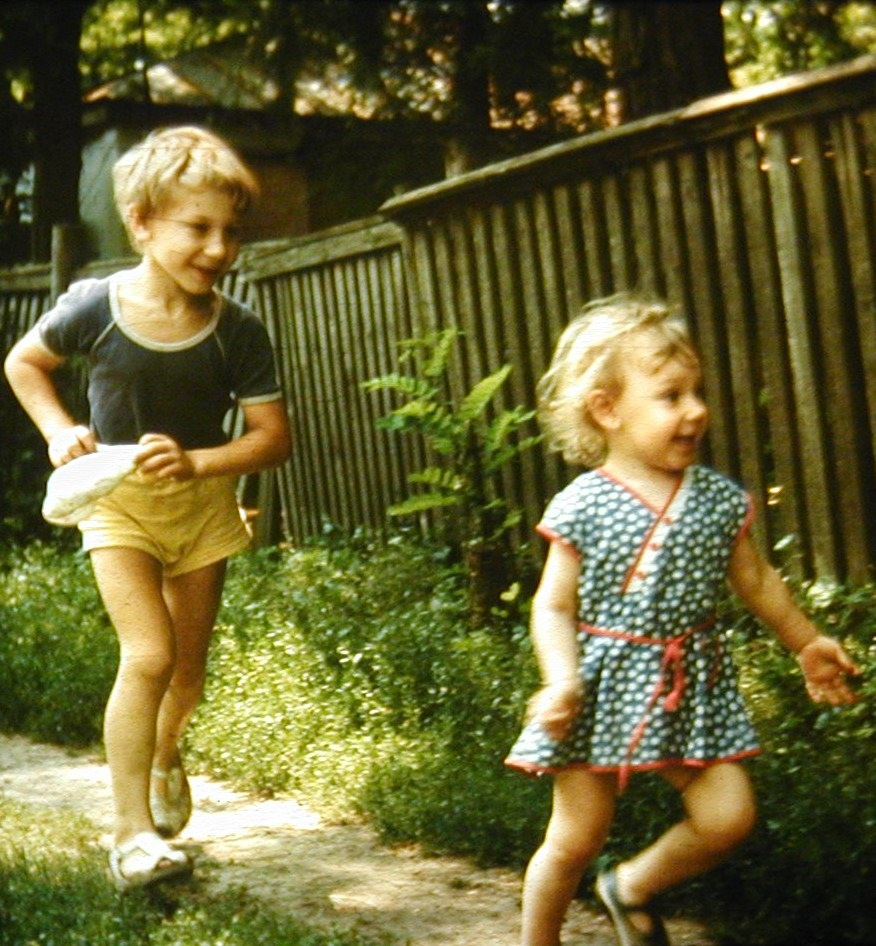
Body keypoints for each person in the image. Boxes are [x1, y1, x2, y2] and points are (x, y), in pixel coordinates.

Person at [503, 293, 859, 946]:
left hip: (687, 687)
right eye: (671, 396)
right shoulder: (583, 504)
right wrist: (561, 679)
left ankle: (631, 886)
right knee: (575, 840)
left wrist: (806, 642)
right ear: (607, 410)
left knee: (728, 817)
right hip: (600, 689)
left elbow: (757, 581)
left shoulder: (718, 500)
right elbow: (553, 605)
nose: (695, 410)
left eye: (697, 393)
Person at [4, 125, 291, 892]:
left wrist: (199, 461)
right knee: (150, 656)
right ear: (141, 222)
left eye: (231, 231)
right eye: (197, 227)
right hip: (118, 505)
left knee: (187, 673)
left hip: (202, 510)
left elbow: (272, 439)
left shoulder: (238, 331)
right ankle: (131, 835)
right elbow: (25, 362)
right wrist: (60, 430)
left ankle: (166, 751)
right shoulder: (94, 306)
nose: (218, 248)